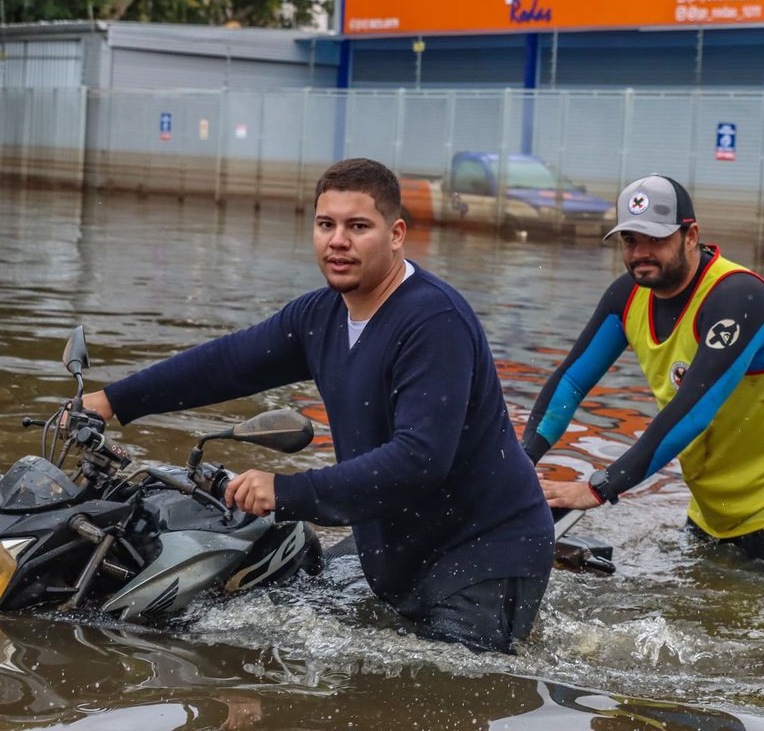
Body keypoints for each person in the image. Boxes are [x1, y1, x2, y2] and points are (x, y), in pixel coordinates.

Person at [78, 158, 553, 653]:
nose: (338, 241)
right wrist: (113, 399)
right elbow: (228, 363)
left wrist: (286, 491)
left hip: (483, 555)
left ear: (396, 234)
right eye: (326, 224)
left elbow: (420, 459)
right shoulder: (319, 316)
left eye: (358, 226)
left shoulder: (434, 322)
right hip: (400, 548)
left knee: (434, 704)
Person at [525, 174, 764, 573]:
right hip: (714, 501)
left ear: (691, 236)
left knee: (763, 626)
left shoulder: (738, 297)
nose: (640, 253)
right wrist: (520, 462)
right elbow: (571, 380)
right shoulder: (626, 296)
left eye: (655, 239)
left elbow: (692, 411)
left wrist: (597, 488)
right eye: (630, 241)